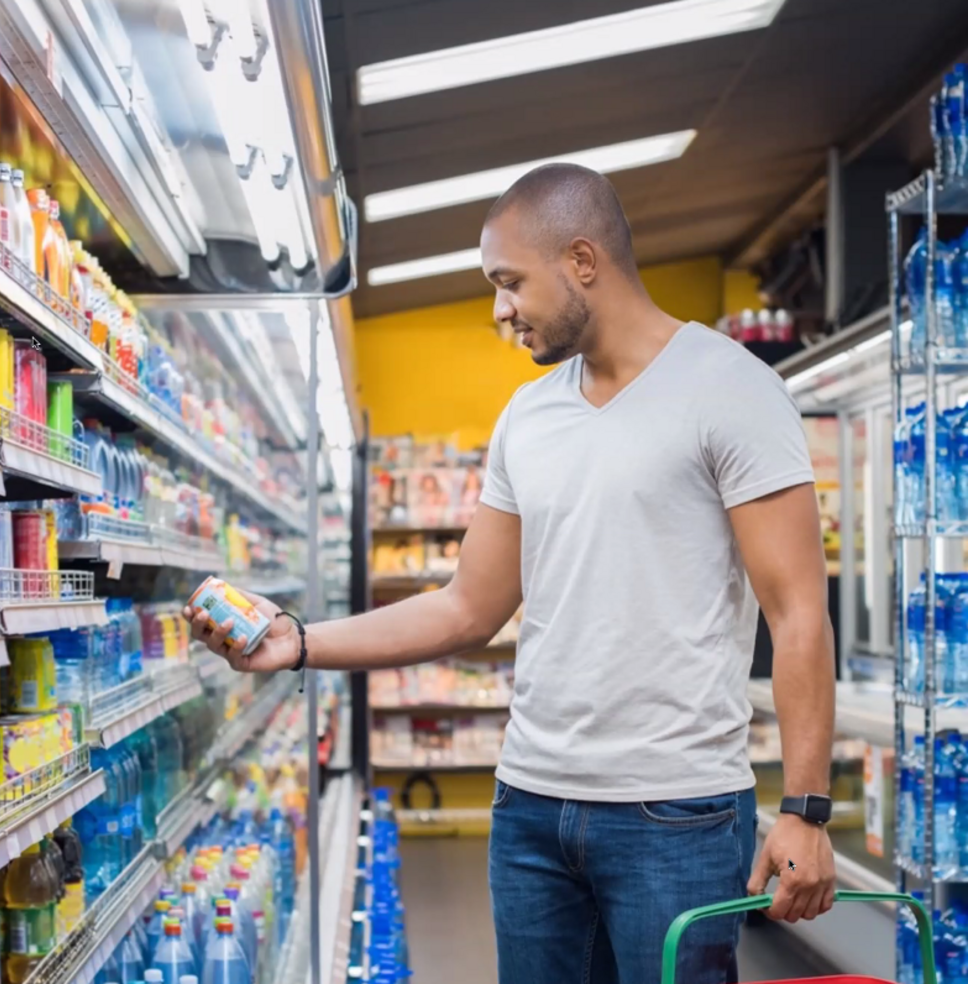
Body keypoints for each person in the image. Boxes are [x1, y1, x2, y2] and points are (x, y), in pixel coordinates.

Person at [186, 163, 836, 984]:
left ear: (583, 261)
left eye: (509, 283)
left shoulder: (731, 389)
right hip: (529, 807)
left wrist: (806, 810)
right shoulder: (527, 417)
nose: (500, 311)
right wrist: (300, 641)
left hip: (674, 813)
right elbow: (466, 607)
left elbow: (799, 612)